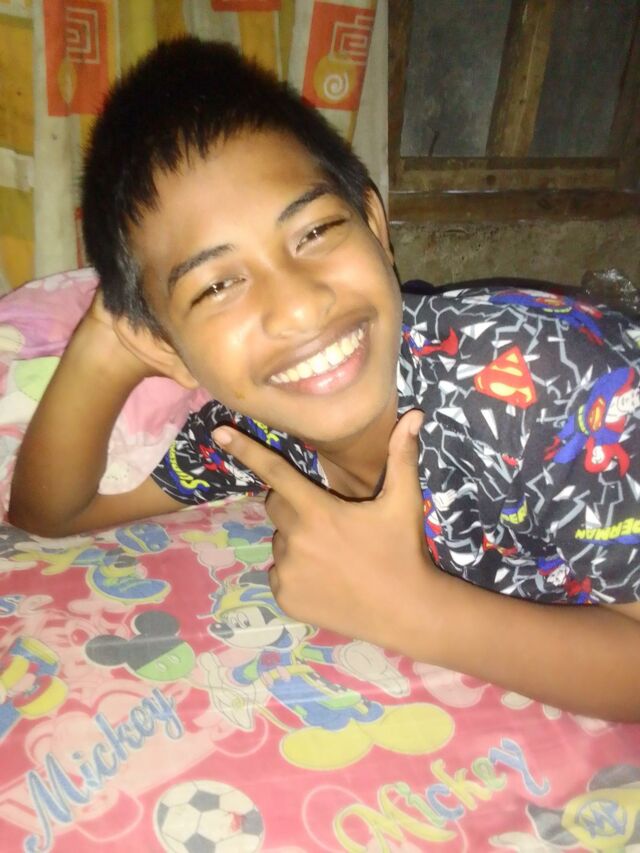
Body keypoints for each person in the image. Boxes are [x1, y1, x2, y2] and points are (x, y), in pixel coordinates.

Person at [8, 37, 640, 721]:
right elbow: (51, 514)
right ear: (168, 345)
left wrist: (412, 610)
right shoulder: (256, 433)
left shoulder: (556, 381)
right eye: (216, 285)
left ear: (374, 223)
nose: (300, 306)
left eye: (313, 233)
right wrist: (105, 348)